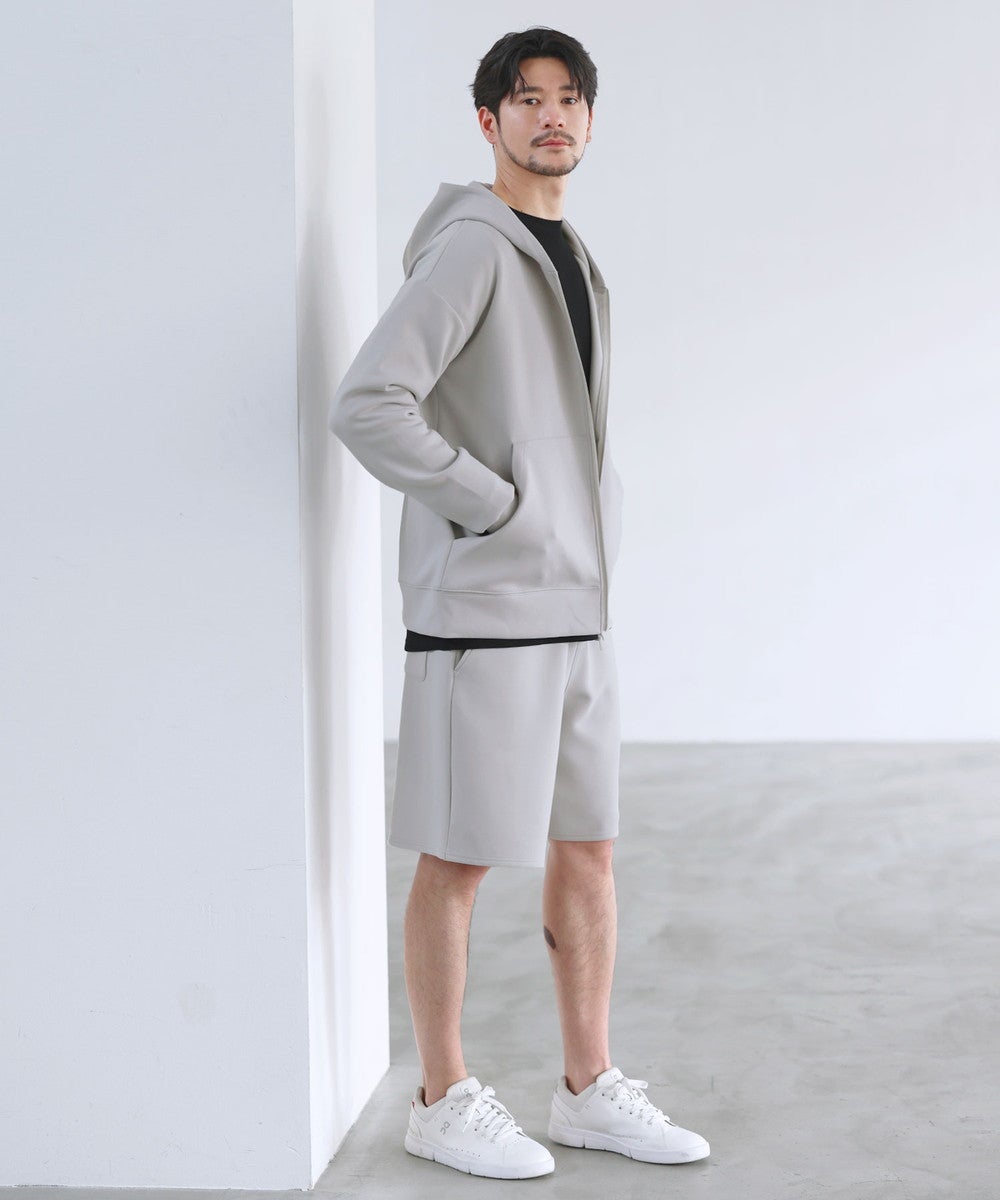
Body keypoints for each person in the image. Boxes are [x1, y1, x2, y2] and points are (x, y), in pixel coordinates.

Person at [329, 26, 710, 1181]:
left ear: (588, 118)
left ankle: (587, 1088)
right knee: (458, 858)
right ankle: (440, 1097)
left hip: (575, 611)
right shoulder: (471, 249)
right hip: (487, 613)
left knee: (587, 852)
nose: (552, 116)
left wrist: (562, 525)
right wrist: (492, 507)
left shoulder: (568, 252)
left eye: (569, 98)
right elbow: (369, 403)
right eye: (528, 98)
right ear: (488, 120)